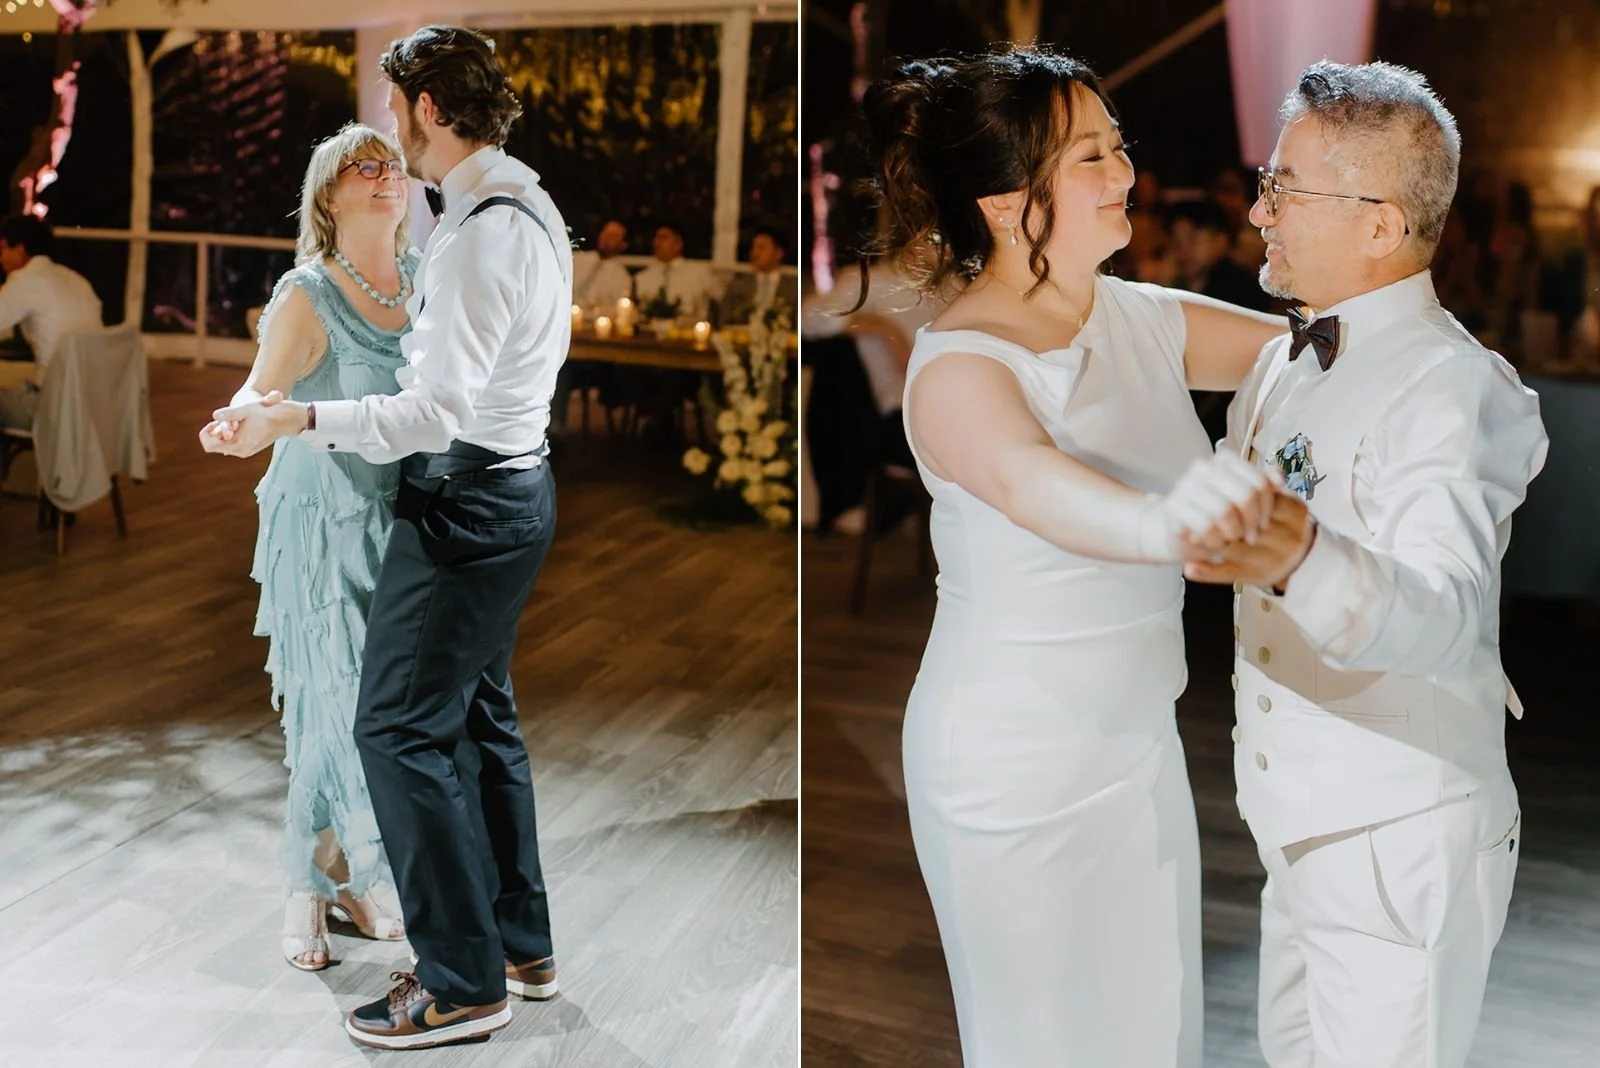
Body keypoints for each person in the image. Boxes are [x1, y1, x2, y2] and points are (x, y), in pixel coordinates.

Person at [860, 46, 1286, 1066]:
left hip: (1136, 747)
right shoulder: (959, 364)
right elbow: (1028, 482)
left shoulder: (1138, 316)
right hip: (1012, 767)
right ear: (1009, 205)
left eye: (1117, 146)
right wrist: (1166, 526)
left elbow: (1298, 352)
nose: (1125, 173)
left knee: (1153, 1033)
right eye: (1090, 156)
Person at [202, 25, 571, 1051]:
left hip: (461, 500)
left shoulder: (472, 237)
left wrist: (301, 421)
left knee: (399, 729)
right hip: (515, 488)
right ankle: (520, 947)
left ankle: (459, 981)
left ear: (427, 111)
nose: (386, 131)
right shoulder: (523, 201)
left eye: (393, 108)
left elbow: (431, 414)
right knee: (479, 717)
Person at [1186, 61, 1548, 1067]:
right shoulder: (1278, 358)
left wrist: (1298, 552)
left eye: (1285, 187)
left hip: (1397, 838)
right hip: (1294, 827)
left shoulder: (1449, 386)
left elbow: (1445, 612)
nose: (1260, 211)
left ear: (1380, 226)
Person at [224, 123, 415, 971]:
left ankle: (343, 871)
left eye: (393, 165)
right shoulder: (307, 290)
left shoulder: (422, 281)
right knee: (324, 699)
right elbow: (264, 383)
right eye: (361, 168)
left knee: (374, 709)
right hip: (319, 517)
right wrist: (236, 415)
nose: (384, 176)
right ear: (328, 197)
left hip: (400, 518)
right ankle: (311, 883)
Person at [0, 214, 103, 429]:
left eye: (2, 249)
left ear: (19, 250)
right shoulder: (75, 278)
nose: (1, 258)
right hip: (94, 401)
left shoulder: (25, 280)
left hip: (52, 405)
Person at [1169, 198, 1275, 312]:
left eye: (1193, 240)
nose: (1184, 251)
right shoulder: (1174, 283)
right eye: (1177, 242)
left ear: (1220, 241)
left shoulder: (1240, 289)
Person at [632, 220, 715, 320]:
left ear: (678, 243)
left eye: (663, 238)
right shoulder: (642, 278)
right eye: (656, 238)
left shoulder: (699, 274)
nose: (657, 243)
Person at [721, 224, 799, 324]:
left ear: (778, 253)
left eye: (761, 248)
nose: (755, 253)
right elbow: (724, 319)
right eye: (754, 248)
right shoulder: (737, 285)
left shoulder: (793, 288)